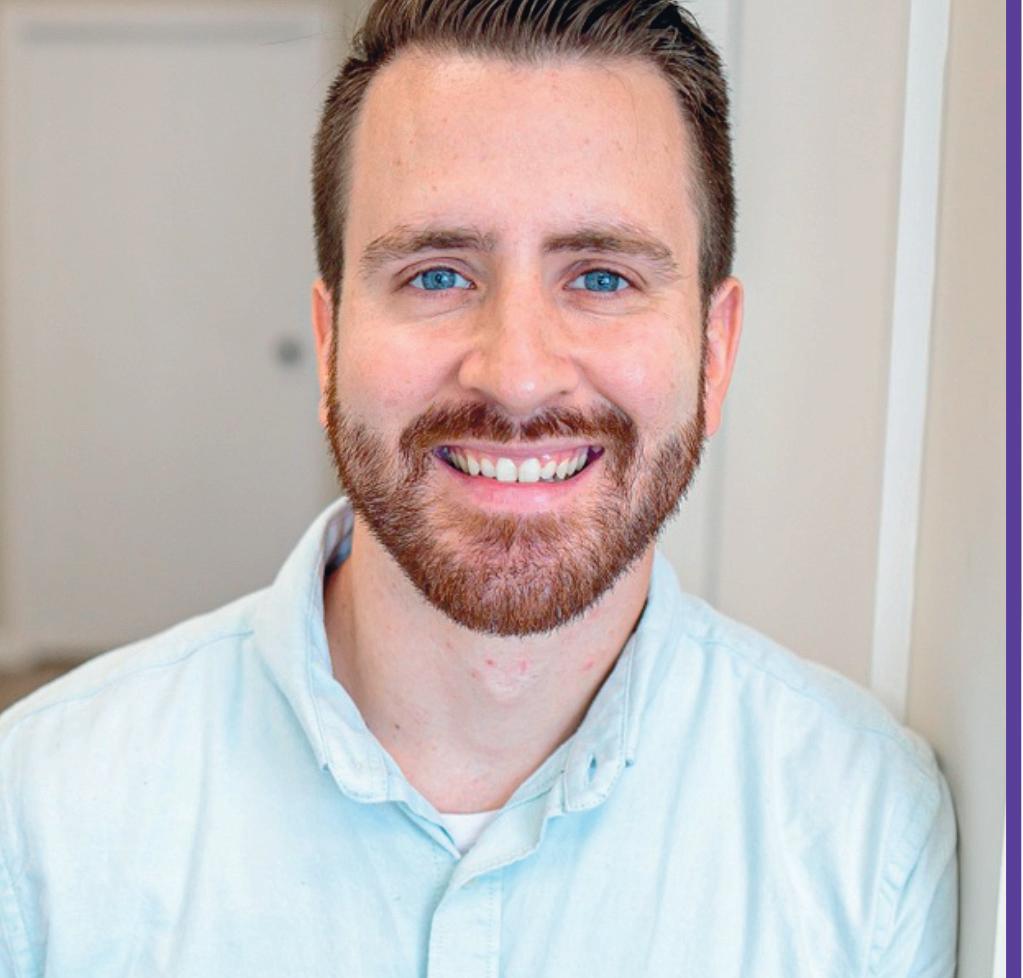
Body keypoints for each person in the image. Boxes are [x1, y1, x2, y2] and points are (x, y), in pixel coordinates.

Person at [0, 1, 957, 975]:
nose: (518, 377)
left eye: (601, 278)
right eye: (437, 275)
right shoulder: (39, 820)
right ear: (330, 343)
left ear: (714, 352)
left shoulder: (864, 837)